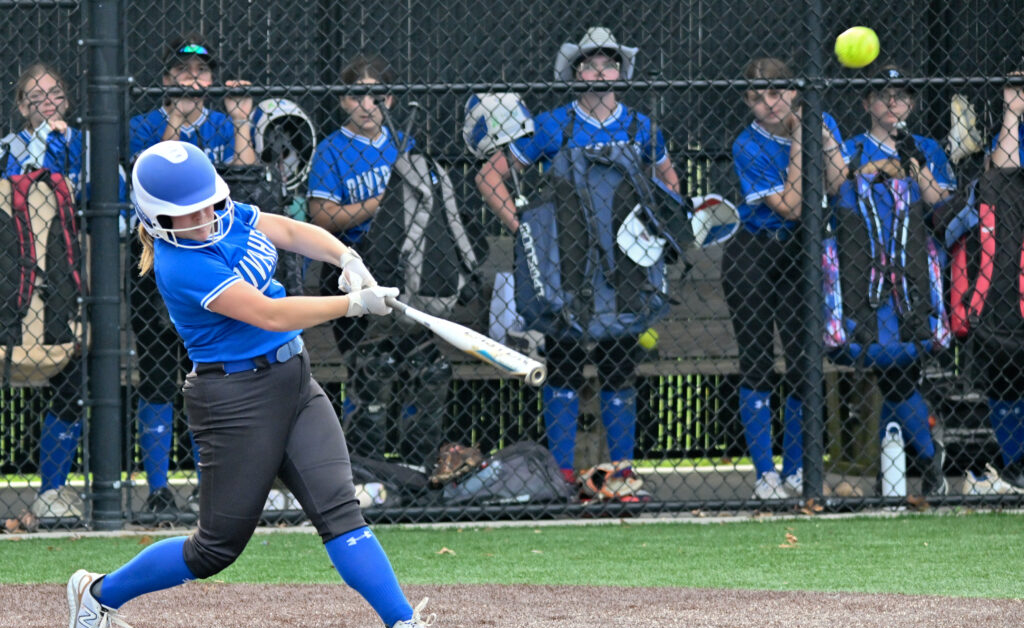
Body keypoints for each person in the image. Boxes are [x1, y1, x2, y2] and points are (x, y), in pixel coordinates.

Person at [66, 140, 449, 628]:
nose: (204, 219)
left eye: (208, 205)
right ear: (156, 220)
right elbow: (269, 315)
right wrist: (352, 303)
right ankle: (97, 593)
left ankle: (401, 623)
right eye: (188, 214)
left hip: (293, 380)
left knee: (340, 509)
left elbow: (289, 230)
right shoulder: (181, 267)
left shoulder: (227, 213)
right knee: (214, 549)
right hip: (233, 401)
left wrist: (346, 256)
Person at [475, 27, 680, 483]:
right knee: (564, 365)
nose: (600, 71)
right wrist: (525, 230)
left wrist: (656, 232)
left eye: (608, 63)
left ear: (620, 73)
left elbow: (670, 184)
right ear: (575, 73)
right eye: (590, 63)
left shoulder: (641, 128)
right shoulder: (552, 125)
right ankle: (563, 477)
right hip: (566, 266)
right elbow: (490, 177)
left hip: (626, 267)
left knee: (620, 366)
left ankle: (621, 473)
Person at [127, 34, 257, 513]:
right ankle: (159, 488)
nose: (192, 78)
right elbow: (150, 182)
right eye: (182, 71)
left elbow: (245, 177)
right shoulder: (144, 126)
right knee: (159, 373)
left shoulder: (224, 125)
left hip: (216, 256)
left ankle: (213, 484)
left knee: (210, 371)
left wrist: (242, 121)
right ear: (166, 79)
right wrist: (177, 123)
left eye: (200, 72)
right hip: (158, 256)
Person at [307, 55, 451, 467]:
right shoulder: (332, 150)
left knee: (429, 371)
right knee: (376, 368)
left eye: (376, 95)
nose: (367, 104)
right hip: (352, 272)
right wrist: (378, 205)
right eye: (357, 94)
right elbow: (322, 216)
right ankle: (367, 471)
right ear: (343, 101)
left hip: (405, 273)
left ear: (388, 100)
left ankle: (414, 470)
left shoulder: (404, 145)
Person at [1, 63, 126, 520]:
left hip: (74, 277)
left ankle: (51, 493)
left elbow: (117, 206)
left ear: (67, 101)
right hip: (18, 281)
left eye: (54, 94)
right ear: (20, 107)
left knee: (76, 376)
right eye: (34, 97)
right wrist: (41, 146)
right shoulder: (8, 149)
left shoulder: (87, 146)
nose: (46, 103)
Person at [727, 56, 848, 499]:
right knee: (757, 362)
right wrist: (800, 141)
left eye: (777, 93)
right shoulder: (747, 145)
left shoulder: (819, 119)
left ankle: (797, 471)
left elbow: (838, 181)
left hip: (801, 254)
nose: (769, 104)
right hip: (754, 255)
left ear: (794, 91)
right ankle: (766, 476)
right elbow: (793, 206)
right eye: (758, 98)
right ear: (748, 102)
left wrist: (820, 133)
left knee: (802, 363)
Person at [836, 64, 957, 497]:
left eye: (902, 95)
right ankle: (927, 461)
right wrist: (867, 171)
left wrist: (911, 162)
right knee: (888, 363)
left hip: (913, 274)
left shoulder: (923, 146)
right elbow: (832, 194)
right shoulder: (849, 148)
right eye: (883, 95)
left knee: (901, 365)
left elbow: (942, 204)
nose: (893, 102)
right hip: (861, 272)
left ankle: (924, 463)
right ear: (867, 102)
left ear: (912, 103)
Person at [955, 66, 1024, 493]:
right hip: (1005, 275)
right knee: (1004, 374)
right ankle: (1016, 468)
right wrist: (1013, 112)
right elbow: (1003, 178)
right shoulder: (1006, 143)